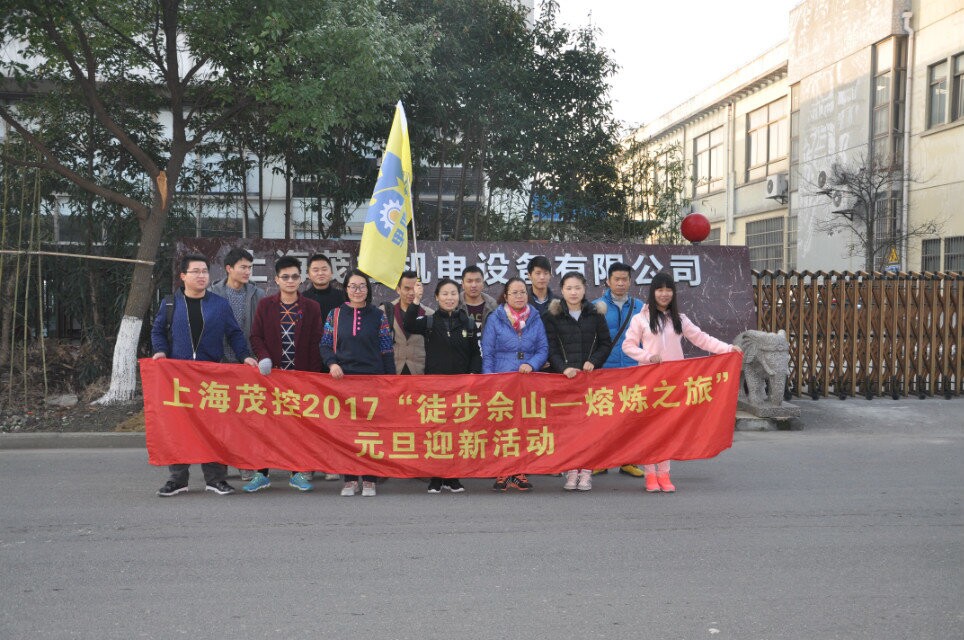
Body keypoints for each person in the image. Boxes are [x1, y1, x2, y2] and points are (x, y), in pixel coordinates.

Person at [622, 271, 742, 493]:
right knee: (649, 429)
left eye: (668, 290)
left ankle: (664, 474)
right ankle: (650, 475)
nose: (664, 294)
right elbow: (627, 346)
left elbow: (702, 338)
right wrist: (647, 357)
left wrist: (727, 349)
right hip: (648, 381)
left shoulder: (680, 319)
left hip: (674, 382)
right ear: (652, 292)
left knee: (668, 428)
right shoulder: (640, 319)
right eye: (660, 289)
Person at [151, 254, 258, 497]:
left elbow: (234, 333)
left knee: (214, 429)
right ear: (183, 276)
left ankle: (215, 479)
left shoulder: (219, 304)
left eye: (205, 272)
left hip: (211, 377)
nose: (201, 276)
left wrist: (245, 356)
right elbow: (157, 331)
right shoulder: (170, 304)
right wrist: (161, 351)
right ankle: (178, 480)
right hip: (179, 378)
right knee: (178, 428)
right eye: (196, 272)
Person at [243, 256, 324, 493]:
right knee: (266, 426)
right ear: (277, 279)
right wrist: (263, 357)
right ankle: (261, 473)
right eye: (285, 277)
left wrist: (311, 376)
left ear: (301, 279)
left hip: (299, 378)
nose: (290, 281)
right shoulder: (266, 305)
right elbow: (256, 336)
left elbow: (316, 342)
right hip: (271, 378)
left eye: (295, 276)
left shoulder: (311, 307)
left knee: (297, 426)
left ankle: (296, 472)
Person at [319, 269, 396, 497]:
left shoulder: (378, 316)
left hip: (372, 380)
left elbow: (386, 349)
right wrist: (332, 363)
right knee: (347, 432)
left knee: (371, 432)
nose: (357, 290)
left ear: (368, 289)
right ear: (346, 289)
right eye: (353, 286)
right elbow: (325, 344)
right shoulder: (335, 315)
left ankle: (370, 478)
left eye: (362, 286)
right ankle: (350, 479)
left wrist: (391, 380)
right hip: (344, 381)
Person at [404, 278, 482, 494]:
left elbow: (476, 354)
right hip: (435, 388)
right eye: (445, 294)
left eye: (453, 294)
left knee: (457, 432)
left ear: (459, 297)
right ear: (437, 297)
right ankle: (436, 477)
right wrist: (416, 299)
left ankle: (453, 477)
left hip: (461, 388)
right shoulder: (429, 322)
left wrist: (473, 375)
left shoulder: (468, 323)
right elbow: (408, 324)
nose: (449, 298)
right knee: (436, 432)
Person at [541, 272, 612, 492]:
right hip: (565, 380)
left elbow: (605, 343)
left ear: (584, 289)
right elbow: (550, 347)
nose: (573, 292)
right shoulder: (552, 316)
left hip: (589, 379)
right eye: (569, 288)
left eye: (578, 288)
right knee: (568, 427)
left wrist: (594, 361)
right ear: (562, 290)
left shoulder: (595, 314)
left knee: (589, 426)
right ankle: (571, 470)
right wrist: (563, 368)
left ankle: (587, 472)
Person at [481, 276, 548, 492]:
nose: (519, 296)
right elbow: (488, 352)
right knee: (502, 426)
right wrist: (489, 379)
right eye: (514, 293)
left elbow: (543, 349)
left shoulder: (535, 318)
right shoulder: (496, 318)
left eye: (522, 292)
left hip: (527, 380)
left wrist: (532, 363)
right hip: (502, 380)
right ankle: (502, 470)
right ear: (506, 295)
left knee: (524, 425)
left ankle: (519, 471)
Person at [208, 247, 265, 482]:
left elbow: (262, 328)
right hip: (220, 363)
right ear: (229, 268)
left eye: (250, 267)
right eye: (243, 267)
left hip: (247, 362)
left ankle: (245, 463)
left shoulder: (257, 294)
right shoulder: (212, 293)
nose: (247, 271)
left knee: (246, 417)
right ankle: (220, 466)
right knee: (221, 417)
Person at [591, 262, 647, 479]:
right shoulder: (596, 307)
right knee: (603, 417)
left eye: (625, 279)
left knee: (630, 419)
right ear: (608, 281)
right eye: (617, 279)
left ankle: (628, 461)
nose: (621, 283)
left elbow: (648, 338)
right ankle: (601, 461)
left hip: (633, 370)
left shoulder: (641, 307)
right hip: (605, 370)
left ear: (630, 281)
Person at [300, 252, 343, 481]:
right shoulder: (302, 299)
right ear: (308, 274)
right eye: (315, 270)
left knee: (334, 417)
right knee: (310, 417)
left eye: (324, 269)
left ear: (332, 272)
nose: (320, 273)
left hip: (337, 365)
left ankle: (331, 463)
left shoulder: (343, 297)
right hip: (310, 364)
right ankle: (308, 464)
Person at [383, 270, 433, 376]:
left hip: (419, 372)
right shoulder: (385, 311)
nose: (411, 293)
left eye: (414, 288)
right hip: (394, 371)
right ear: (398, 289)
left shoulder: (429, 314)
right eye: (407, 288)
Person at [457, 265, 497, 330]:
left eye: (478, 281)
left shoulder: (493, 306)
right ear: (463, 284)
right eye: (469, 281)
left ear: (483, 284)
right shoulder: (455, 305)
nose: (474, 285)